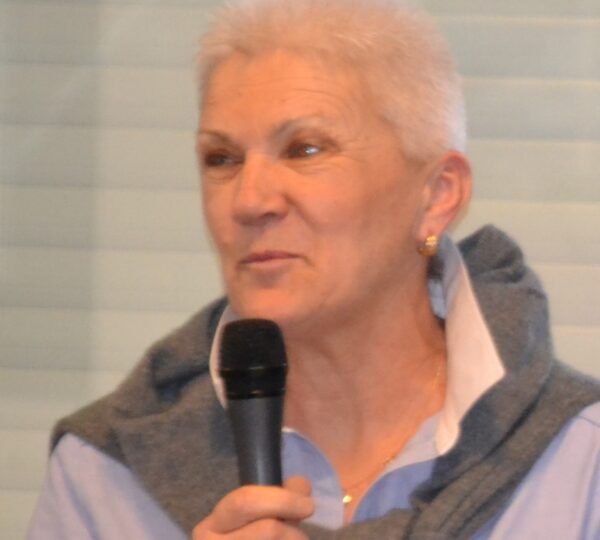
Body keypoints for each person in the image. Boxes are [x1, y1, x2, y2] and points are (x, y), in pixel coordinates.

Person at [28, 0, 599, 538]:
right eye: (222, 159)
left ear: (437, 196)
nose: (249, 200)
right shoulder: (103, 476)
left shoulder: (582, 462)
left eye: (305, 149)